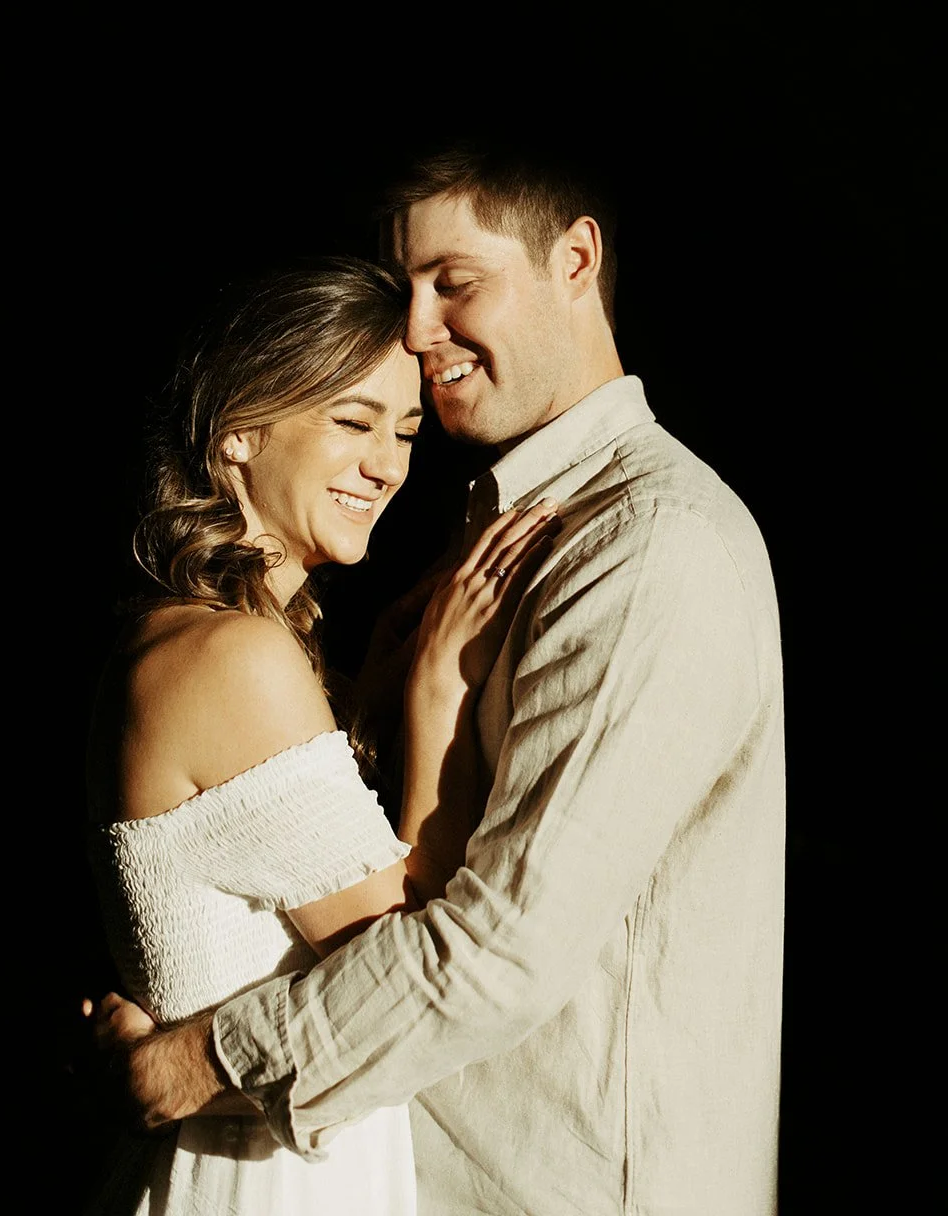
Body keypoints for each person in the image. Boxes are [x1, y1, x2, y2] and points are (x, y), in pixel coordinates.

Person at [96, 145, 786, 1216]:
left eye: (453, 282)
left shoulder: (647, 545)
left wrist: (191, 1063)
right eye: (403, 286)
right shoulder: (480, 554)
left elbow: (493, 947)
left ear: (574, 260)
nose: (416, 329)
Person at [83, 254, 559, 1215]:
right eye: (351, 422)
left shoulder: (196, 638)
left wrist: (373, 701)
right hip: (261, 1183)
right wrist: (437, 695)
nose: (388, 464)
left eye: (407, 430)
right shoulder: (231, 658)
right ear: (237, 439)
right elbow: (408, 956)